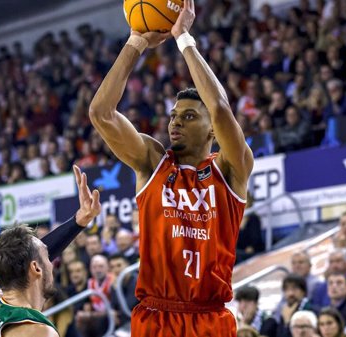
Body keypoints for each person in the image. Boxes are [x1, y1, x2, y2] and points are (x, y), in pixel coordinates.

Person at [88, 0, 254, 336]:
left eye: (189, 116)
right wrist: (136, 41)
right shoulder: (153, 162)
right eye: (174, 115)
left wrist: (184, 38)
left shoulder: (233, 168)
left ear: (211, 131)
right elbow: (100, 113)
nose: (176, 122)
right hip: (156, 316)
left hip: (209, 317)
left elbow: (220, 108)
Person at [0, 166, 101, 337]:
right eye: (48, 258)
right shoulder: (38, 332)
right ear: (36, 268)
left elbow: (26, 259)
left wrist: (79, 221)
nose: (51, 263)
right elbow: (31, 258)